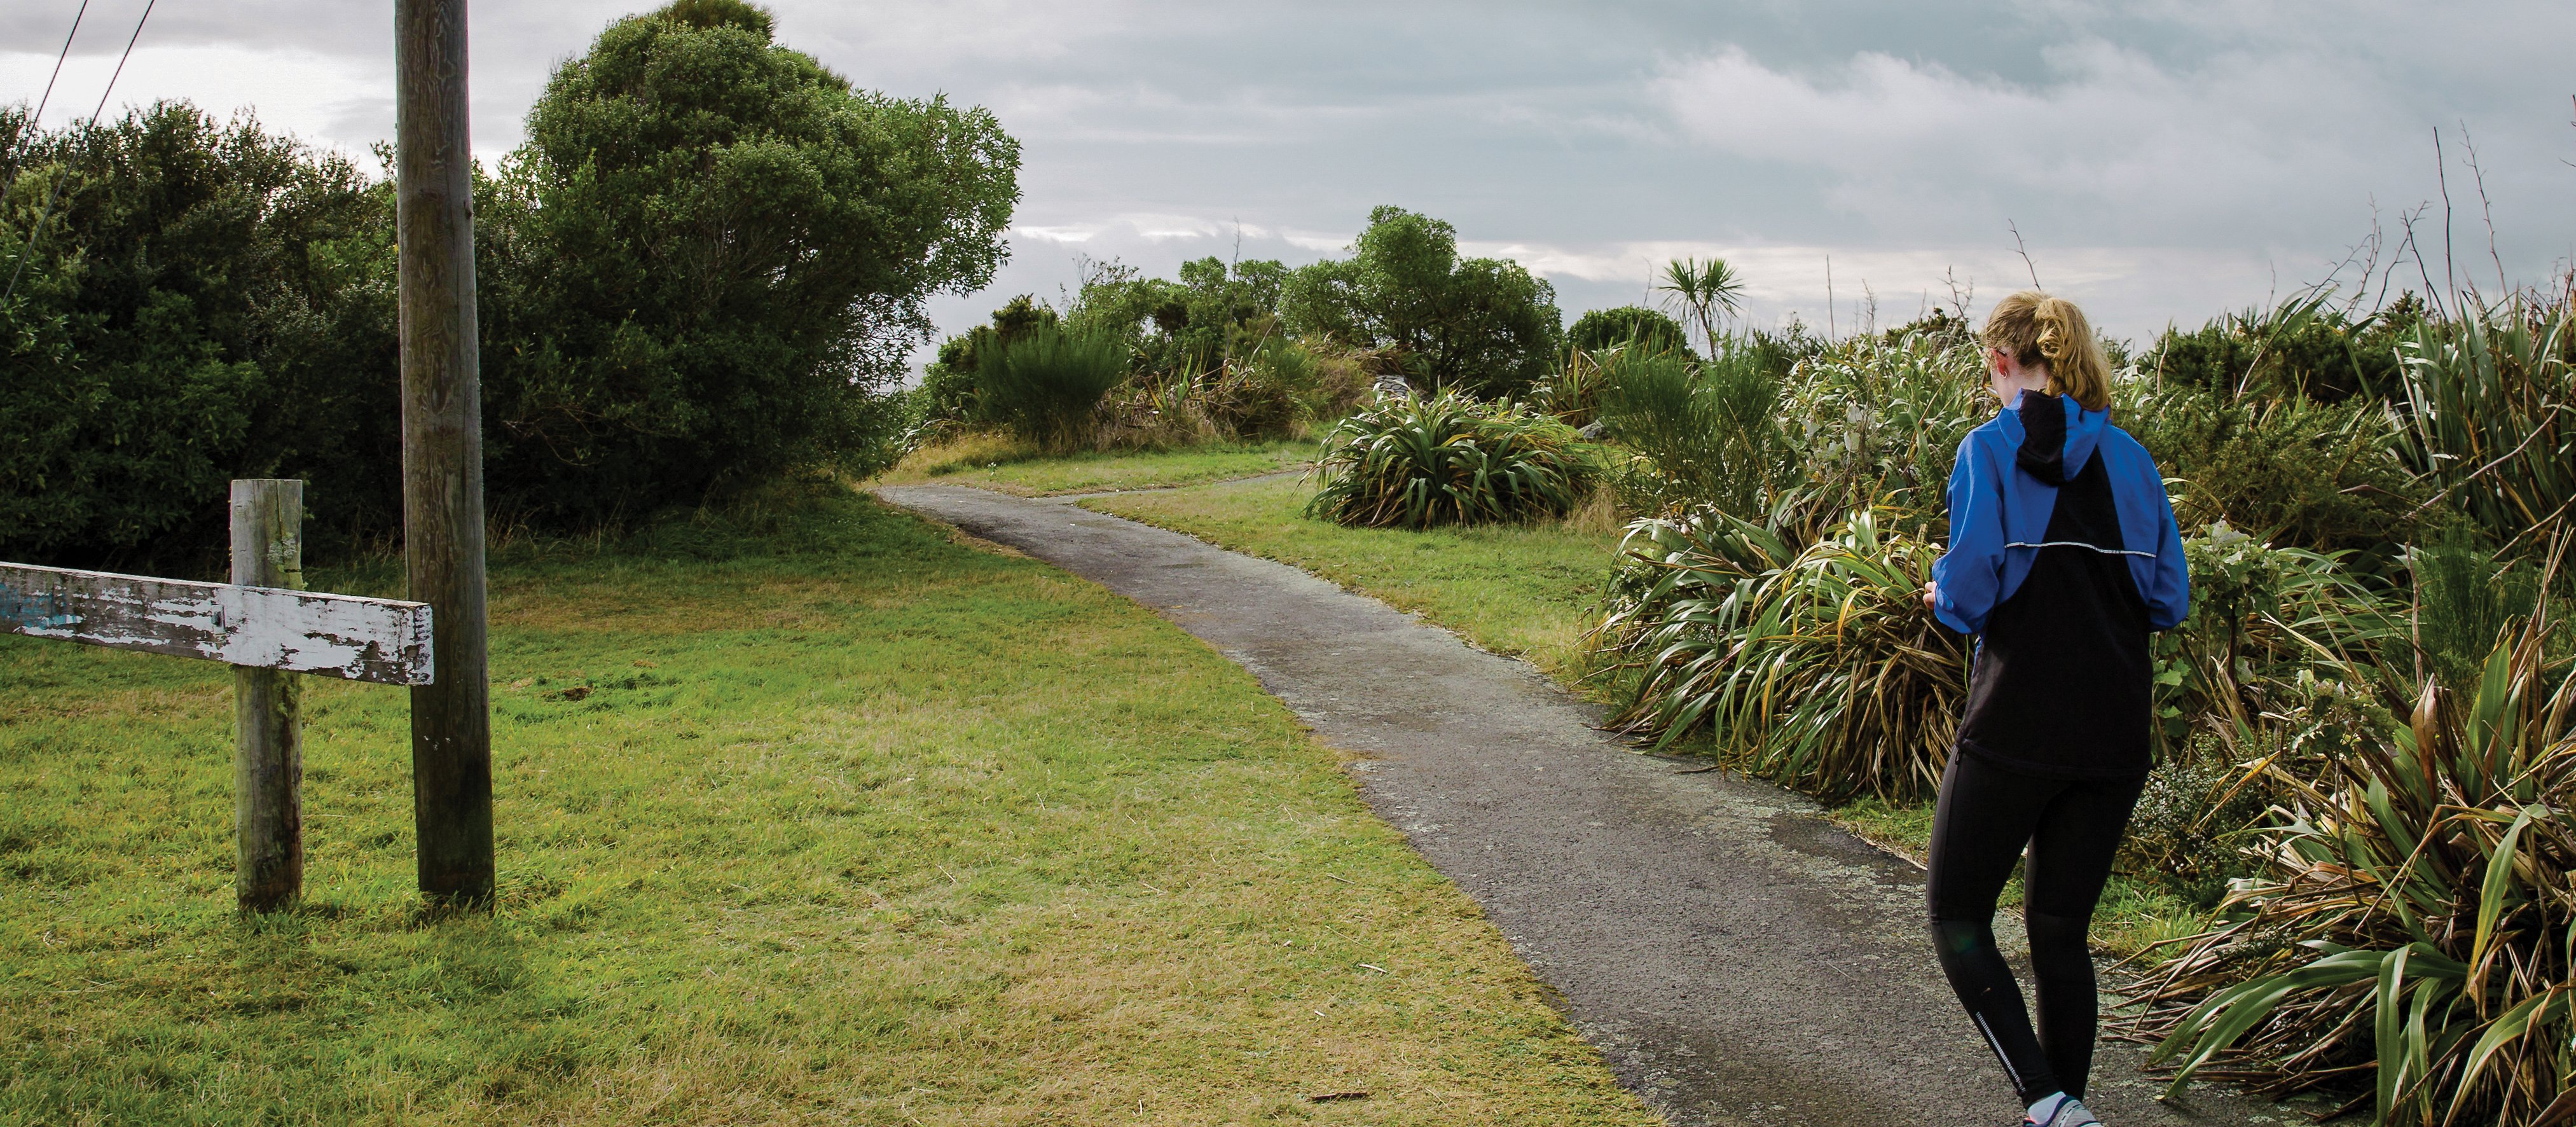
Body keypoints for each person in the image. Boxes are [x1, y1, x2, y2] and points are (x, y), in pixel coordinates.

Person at [1918, 291, 2189, 1127]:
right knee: (2061, 928)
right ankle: (2063, 1114)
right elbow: (2169, 599)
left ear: (2002, 364)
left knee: (1959, 917)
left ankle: (2045, 1100)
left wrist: (1940, 593)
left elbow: (1968, 595)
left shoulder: (1990, 449)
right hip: (2112, 736)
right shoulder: (2136, 462)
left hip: (2016, 725)